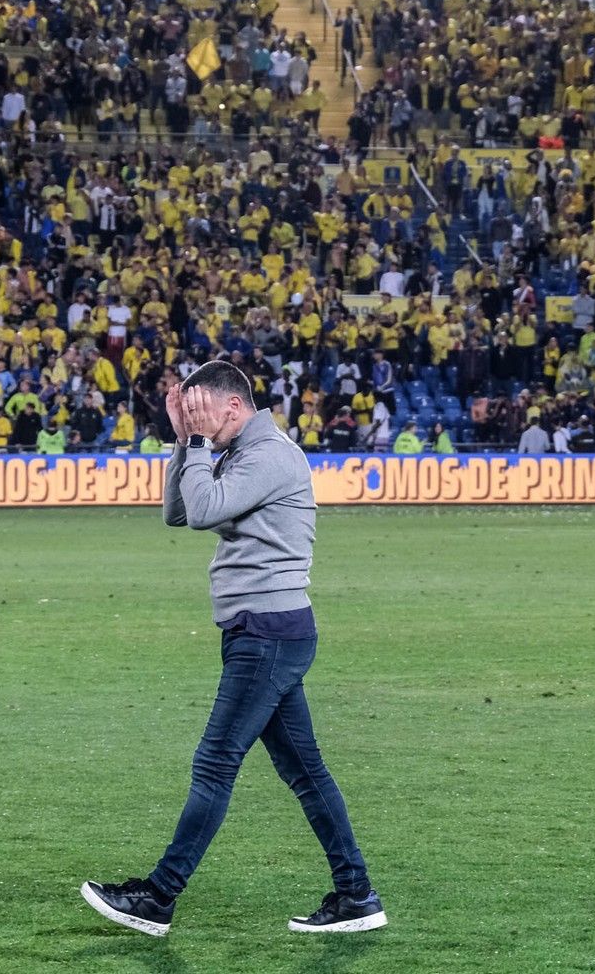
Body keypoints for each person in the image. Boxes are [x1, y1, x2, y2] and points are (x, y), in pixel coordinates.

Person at [81, 361, 384, 937]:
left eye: (203, 412)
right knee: (306, 772)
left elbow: (202, 512)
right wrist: (184, 444)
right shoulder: (241, 450)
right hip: (266, 629)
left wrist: (197, 445)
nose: (198, 421)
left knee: (216, 763)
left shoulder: (269, 455)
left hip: (267, 632)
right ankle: (357, 895)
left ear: (233, 406)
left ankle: (158, 897)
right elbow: (177, 511)